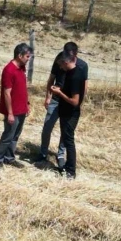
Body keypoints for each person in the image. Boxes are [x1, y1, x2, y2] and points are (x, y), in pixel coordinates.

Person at [37, 42, 88, 166]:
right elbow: (51, 79)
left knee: (65, 131)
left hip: (69, 102)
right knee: (47, 127)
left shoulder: (82, 66)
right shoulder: (59, 59)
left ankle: (60, 155)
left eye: (69, 54)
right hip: (56, 99)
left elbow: (84, 86)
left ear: (75, 54)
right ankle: (43, 153)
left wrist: (78, 103)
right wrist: (48, 97)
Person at [50, 50, 88, 179]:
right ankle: (67, 167)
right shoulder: (72, 72)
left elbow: (75, 101)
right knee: (66, 139)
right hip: (65, 111)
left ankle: (71, 171)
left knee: (69, 142)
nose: (60, 68)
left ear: (65, 62)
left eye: (61, 65)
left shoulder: (75, 76)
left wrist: (59, 93)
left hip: (70, 114)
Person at [0, 43, 32, 167]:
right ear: (19, 55)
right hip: (13, 111)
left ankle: (9, 158)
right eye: (27, 56)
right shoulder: (9, 70)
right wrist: (10, 113)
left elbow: (23, 88)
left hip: (21, 109)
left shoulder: (22, 68)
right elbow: (7, 93)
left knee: (15, 135)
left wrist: (27, 104)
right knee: (8, 135)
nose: (28, 59)